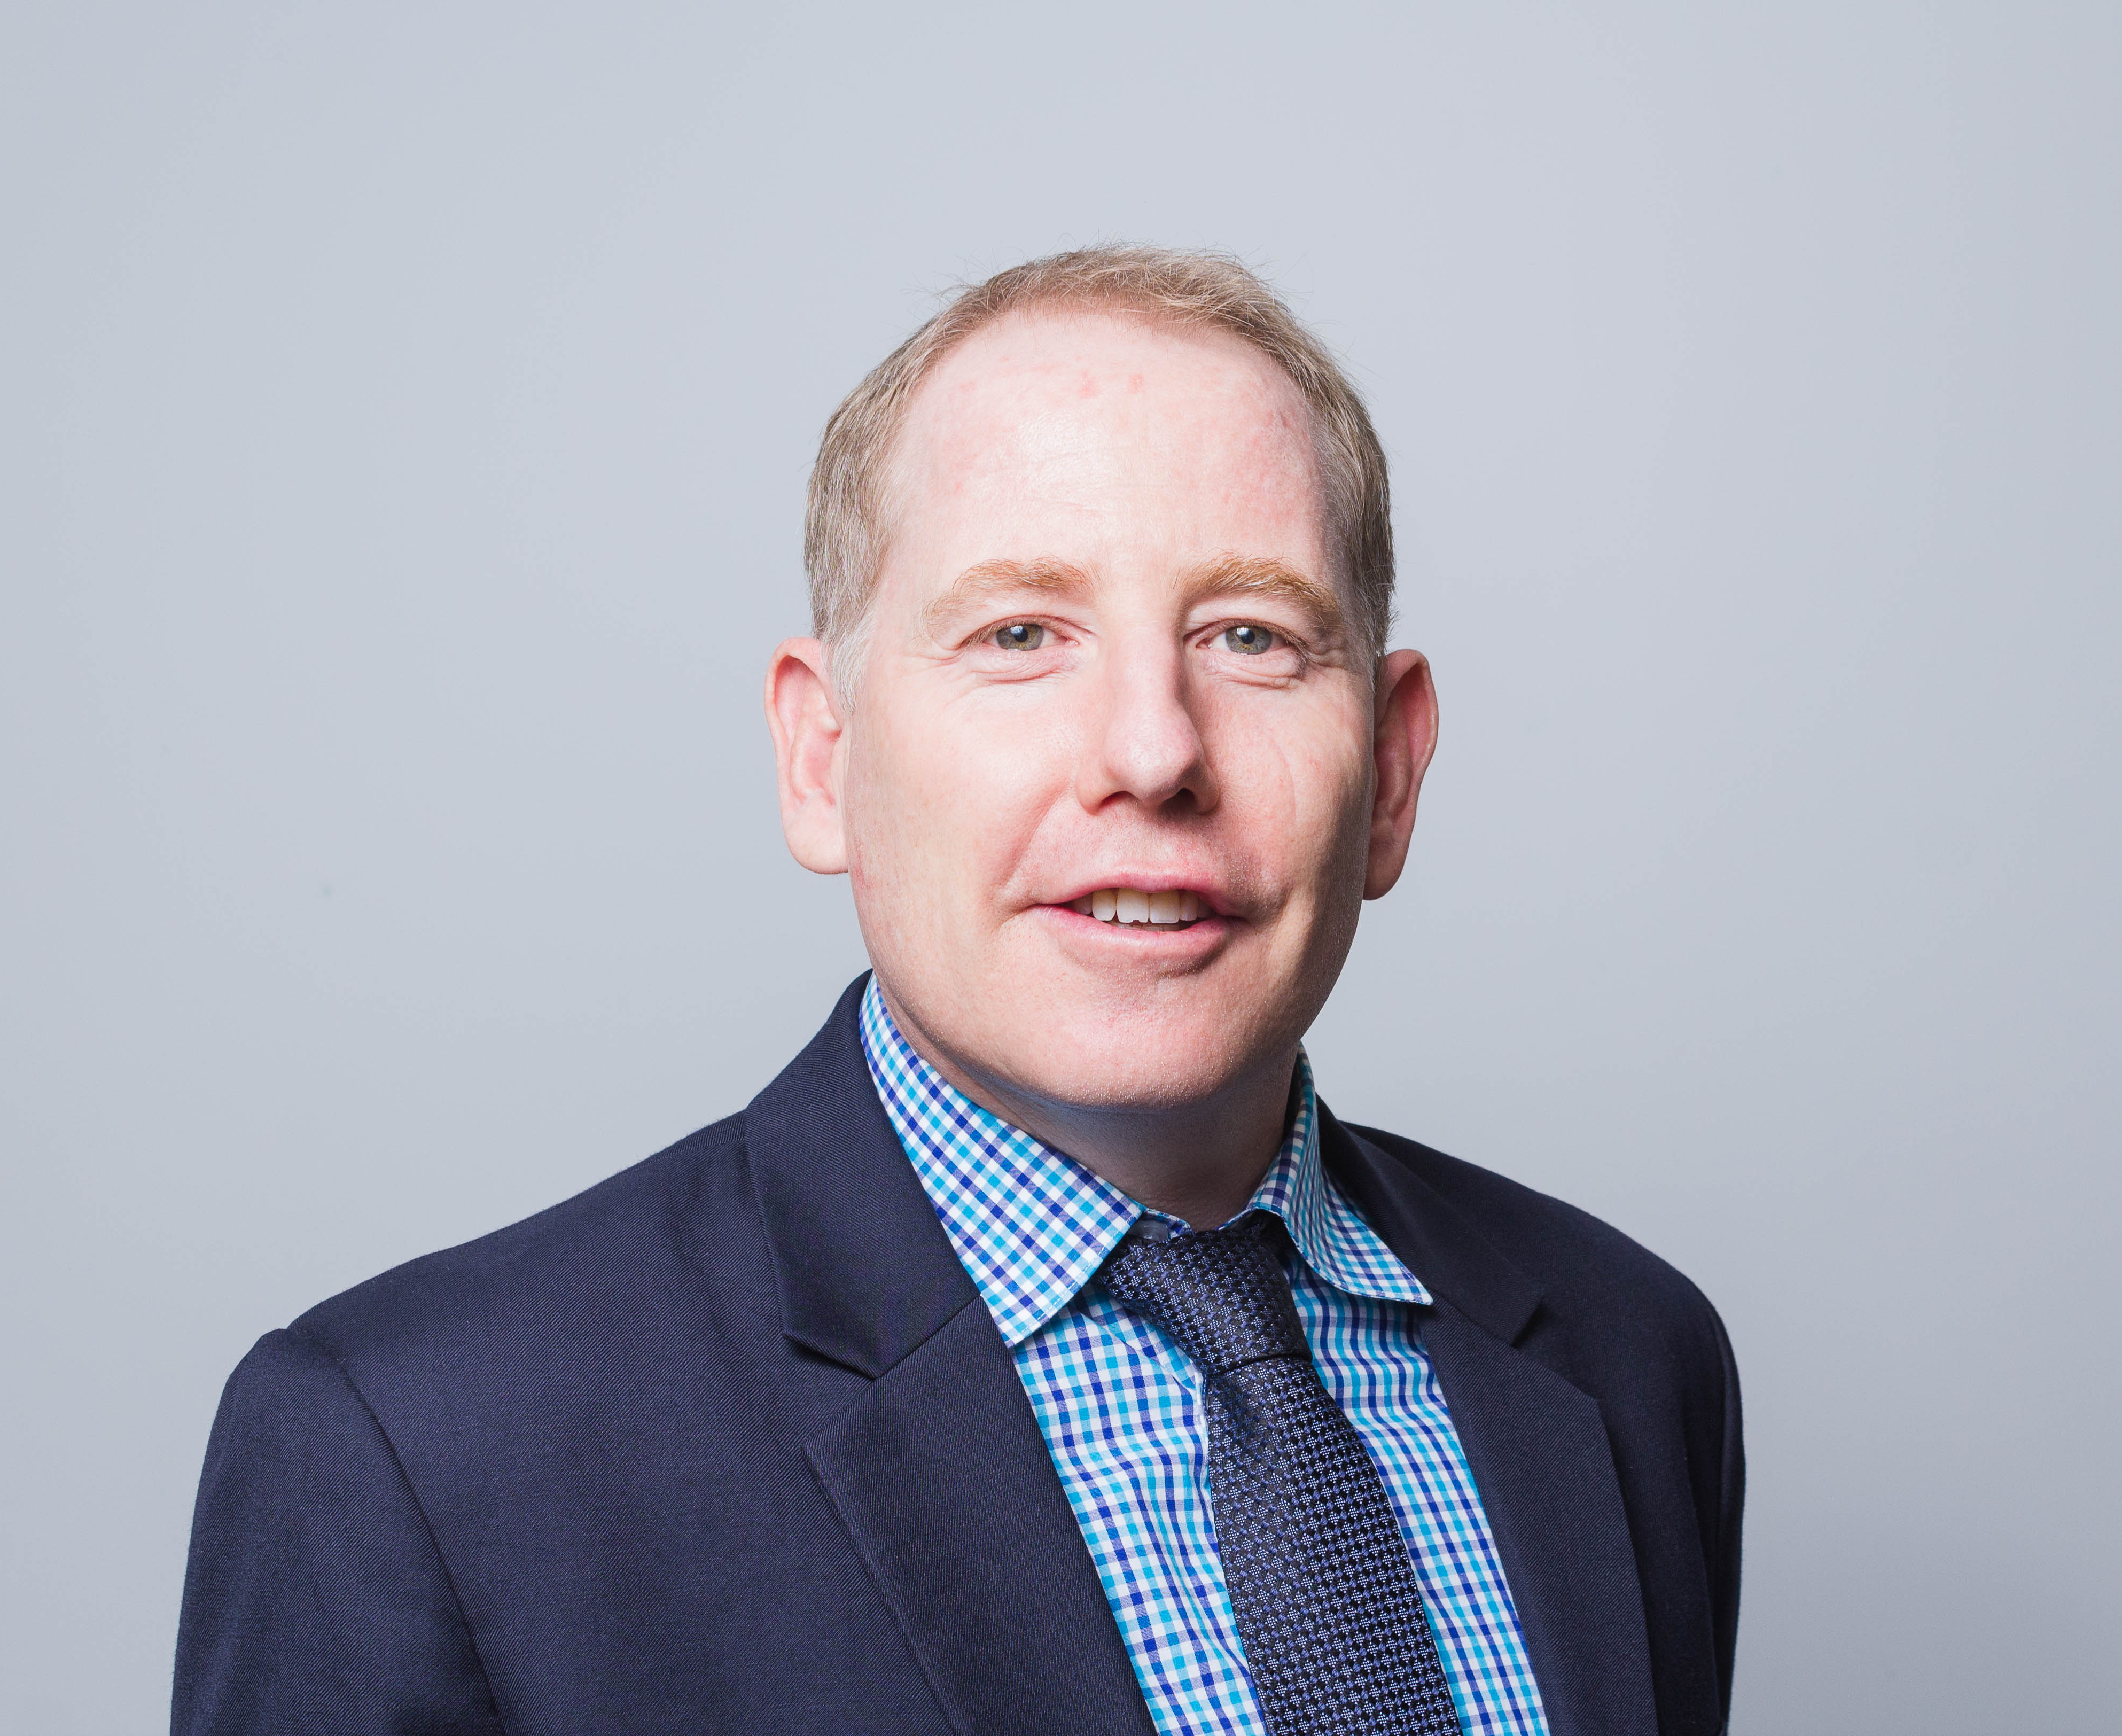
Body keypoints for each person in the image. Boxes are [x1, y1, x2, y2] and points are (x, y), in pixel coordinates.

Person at [172, 246, 1742, 1736]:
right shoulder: (421, 1452)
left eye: (1252, 636)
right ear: (823, 757)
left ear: (1391, 772)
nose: (1152, 751)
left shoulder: (1628, 1357)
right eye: (1021, 633)